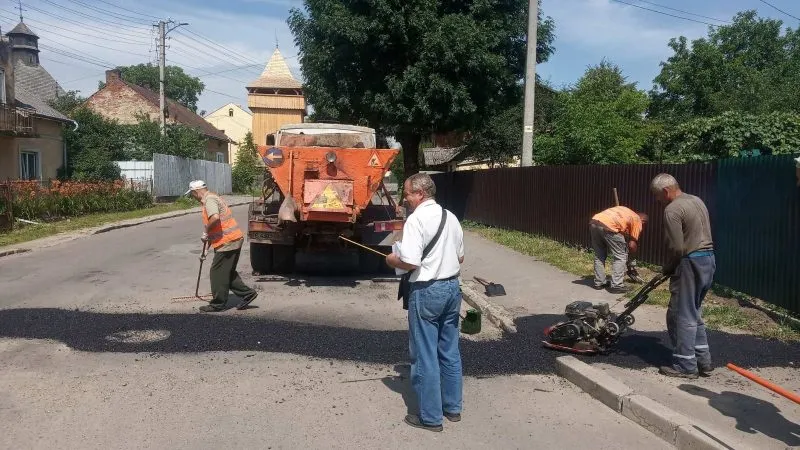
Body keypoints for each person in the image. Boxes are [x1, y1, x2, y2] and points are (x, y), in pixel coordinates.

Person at [385, 173, 465, 432]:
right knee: (449, 351)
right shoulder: (450, 217)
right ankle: (452, 407)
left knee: (425, 355)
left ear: (420, 193)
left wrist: (391, 260)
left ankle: (430, 417)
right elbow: (460, 257)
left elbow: (410, 262)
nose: (405, 198)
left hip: (428, 290)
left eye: (407, 193)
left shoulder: (416, 220)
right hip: (452, 288)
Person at [650, 173, 715, 379]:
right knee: (694, 312)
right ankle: (703, 361)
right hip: (709, 260)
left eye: (657, 196)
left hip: (691, 263)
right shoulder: (696, 200)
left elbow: (677, 248)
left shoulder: (672, 209)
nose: (657, 201)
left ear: (666, 191)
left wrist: (668, 268)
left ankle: (685, 366)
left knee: (681, 314)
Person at [185, 180, 258, 313]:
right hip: (232, 239)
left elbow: (215, 218)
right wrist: (206, 250)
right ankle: (247, 293)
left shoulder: (209, 200)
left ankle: (218, 304)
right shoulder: (212, 197)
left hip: (228, 241)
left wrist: (205, 230)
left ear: (196, 192)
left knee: (217, 272)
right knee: (227, 272)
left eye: (192, 194)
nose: (193, 197)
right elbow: (216, 229)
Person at [589, 205, 648, 293]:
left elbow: (620, 225)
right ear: (643, 220)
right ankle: (616, 285)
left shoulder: (626, 211)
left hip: (594, 222)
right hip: (609, 226)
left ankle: (599, 283)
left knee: (599, 255)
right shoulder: (637, 220)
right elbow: (632, 245)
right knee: (620, 256)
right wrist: (630, 260)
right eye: (643, 224)